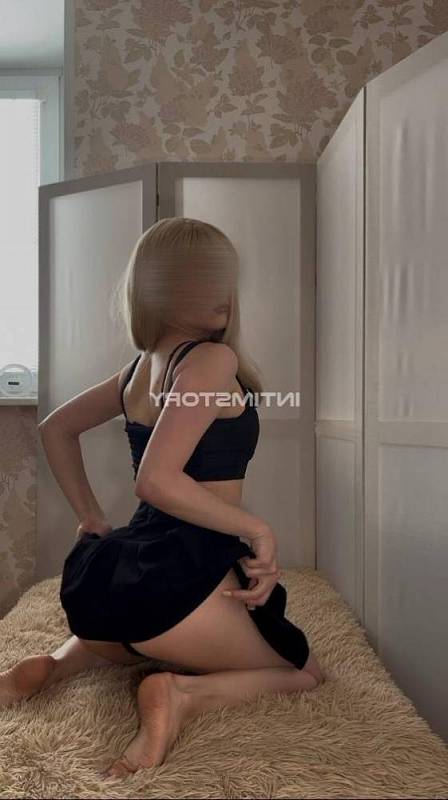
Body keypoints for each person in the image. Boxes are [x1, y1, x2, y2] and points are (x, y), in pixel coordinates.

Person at [0, 218, 324, 777]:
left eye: (223, 277)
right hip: (181, 581)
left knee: (140, 625)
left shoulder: (137, 371)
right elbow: (155, 480)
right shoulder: (212, 360)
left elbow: (55, 429)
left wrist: (91, 519)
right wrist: (257, 528)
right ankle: (178, 695)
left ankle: (53, 665)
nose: (222, 292)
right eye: (203, 279)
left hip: (110, 581)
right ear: (163, 289)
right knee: (305, 671)